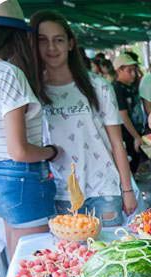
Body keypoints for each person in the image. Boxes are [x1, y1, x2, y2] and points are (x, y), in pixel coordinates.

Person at [31, 10, 136, 226]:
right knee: (70, 258)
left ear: (70, 44)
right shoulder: (31, 91)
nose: (51, 48)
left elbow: (117, 143)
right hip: (58, 194)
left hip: (105, 191)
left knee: (108, 256)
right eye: (43, 41)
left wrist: (127, 190)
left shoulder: (99, 87)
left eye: (58, 40)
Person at [0, 0, 60, 254]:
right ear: (15, 36)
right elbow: (19, 150)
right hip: (21, 176)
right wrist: (50, 151)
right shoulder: (7, 73)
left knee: (17, 258)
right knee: (36, 263)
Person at [112, 53, 146, 173]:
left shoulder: (131, 86)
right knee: (130, 166)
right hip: (127, 134)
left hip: (136, 131)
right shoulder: (117, 89)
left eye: (134, 70)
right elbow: (123, 115)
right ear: (119, 70)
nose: (133, 74)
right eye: (129, 70)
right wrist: (136, 136)